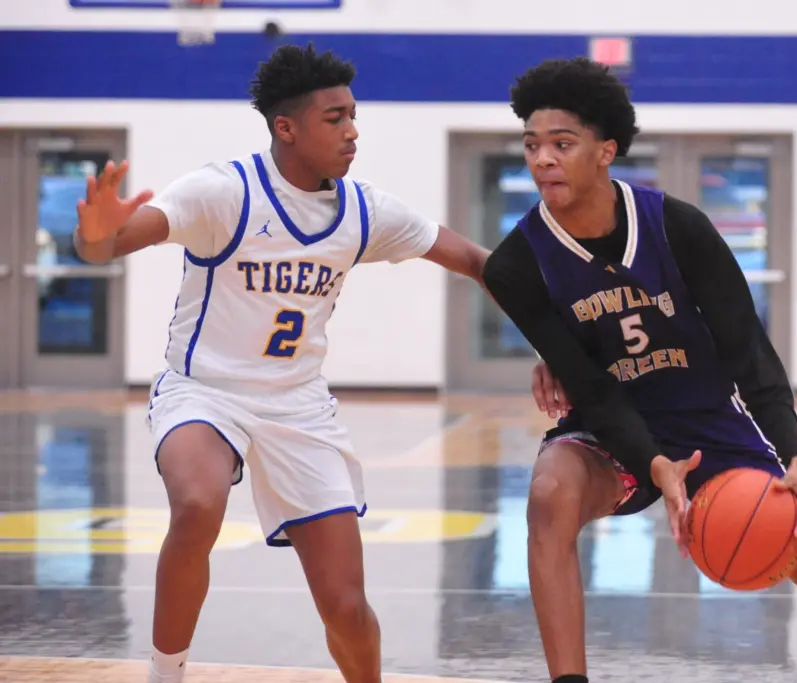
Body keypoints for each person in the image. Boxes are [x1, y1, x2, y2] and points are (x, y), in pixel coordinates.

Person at [481, 57, 797, 683]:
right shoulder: (517, 264)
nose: (542, 159)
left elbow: (746, 349)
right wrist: (654, 463)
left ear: (605, 151)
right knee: (549, 496)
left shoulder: (678, 227)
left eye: (562, 144)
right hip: (607, 429)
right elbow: (589, 387)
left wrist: (795, 455)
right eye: (532, 145)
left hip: (706, 424)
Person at [73, 44, 489, 683]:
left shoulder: (365, 210)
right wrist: (95, 234)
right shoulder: (223, 191)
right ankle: (165, 674)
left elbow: (479, 263)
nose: (353, 131)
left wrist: (559, 317)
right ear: (286, 127)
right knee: (198, 504)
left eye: (353, 115)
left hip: (298, 406)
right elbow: (107, 247)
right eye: (335, 118)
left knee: (346, 607)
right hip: (203, 392)